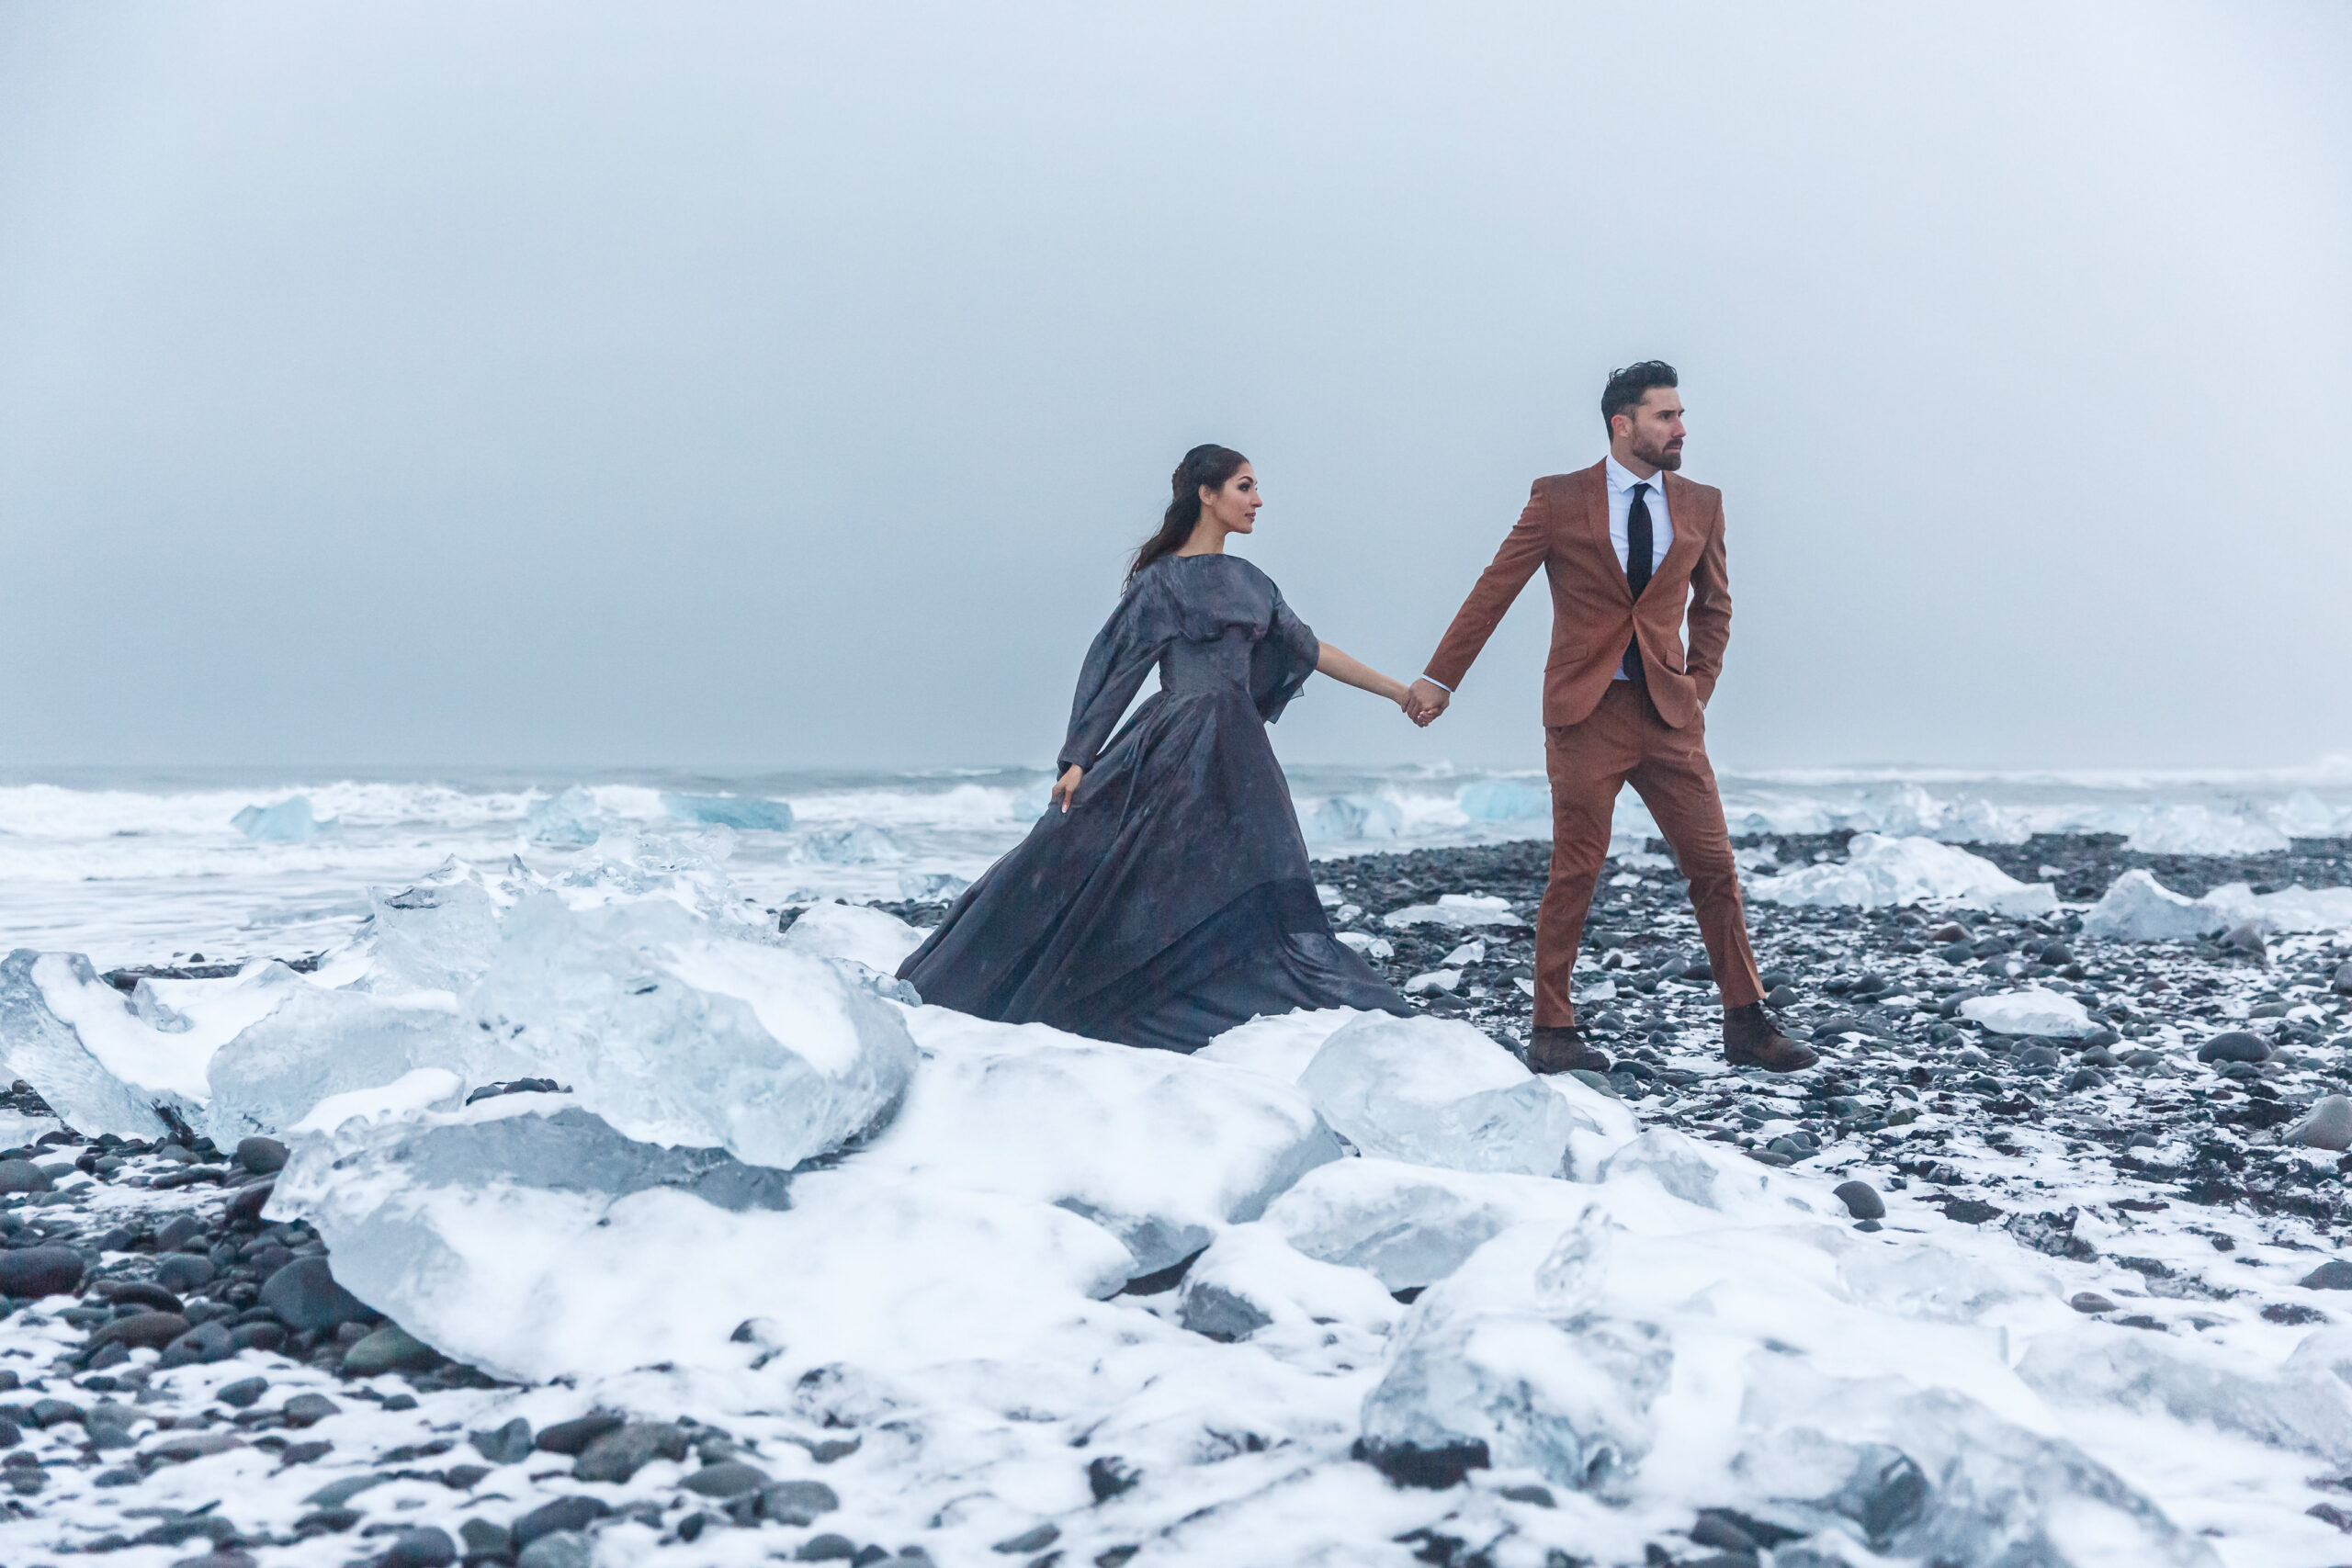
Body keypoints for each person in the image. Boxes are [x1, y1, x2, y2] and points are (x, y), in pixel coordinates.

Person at [898, 444, 1417, 1054]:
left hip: (1241, 756)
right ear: (1207, 493)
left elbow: (1313, 650)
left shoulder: (1254, 584)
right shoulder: (1161, 583)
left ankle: (1264, 1004)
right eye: (1245, 487)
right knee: (1111, 868)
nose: (1258, 501)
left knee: (1264, 883)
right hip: (1176, 749)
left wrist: (1400, 692)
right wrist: (1077, 760)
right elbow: (1114, 669)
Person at [1406, 362, 1815, 1076]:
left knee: (1714, 866)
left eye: (1682, 415)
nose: (1681, 428)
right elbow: (1494, 588)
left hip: (1667, 715)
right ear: (1622, 424)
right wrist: (1441, 678)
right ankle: (1552, 1029)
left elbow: (1713, 606)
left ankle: (1746, 1022)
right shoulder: (1560, 499)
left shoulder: (1702, 503)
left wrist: (1697, 689)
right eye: (1666, 416)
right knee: (1576, 869)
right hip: (1584, 712)